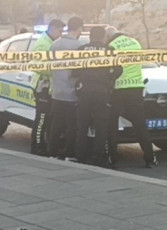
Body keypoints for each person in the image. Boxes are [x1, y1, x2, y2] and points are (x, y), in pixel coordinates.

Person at [106, 26, 157, 168]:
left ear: (109, 36)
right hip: (136, 87)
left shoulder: (112, 46)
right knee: (140, 124)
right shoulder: (135, 42)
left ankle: (112, 158)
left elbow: (112, 68)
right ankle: (149, 158)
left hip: (118, 89)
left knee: (112, 123)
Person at [72, 26, 122, 166]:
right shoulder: (109, 50)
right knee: (101, 126)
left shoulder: (81, 50)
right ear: (103, 37)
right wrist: (108, 78)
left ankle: (80, 155)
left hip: (84, 91)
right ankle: (99, 156)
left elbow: (74, 72)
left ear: (90, 37)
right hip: (102, 92)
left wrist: (83, 76)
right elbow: (119, 70)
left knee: (82, 125)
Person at [47, 17, 84, 160]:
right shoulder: (79, 46)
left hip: (57, 91)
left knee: (56, 124)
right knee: (71, 126)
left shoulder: (55, 44)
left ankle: (52, 152)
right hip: (72, 93)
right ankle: (69, 153)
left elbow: (49, 66)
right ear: (79, 29)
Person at [29, 19, 64, 156]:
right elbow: (38, 65)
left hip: (49, 87)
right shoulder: (43, 44)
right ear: (53, 29)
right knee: (42, 118)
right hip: (42, 86)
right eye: (60, 31)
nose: (61, 34)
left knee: (48, 118)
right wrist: (57, 70)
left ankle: (44, 145)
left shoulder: (50, 42)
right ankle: (36, 146)